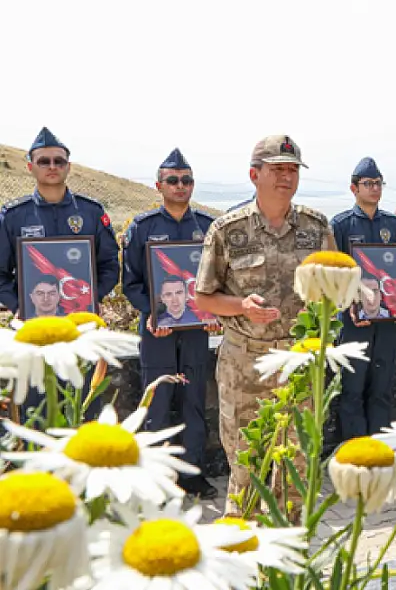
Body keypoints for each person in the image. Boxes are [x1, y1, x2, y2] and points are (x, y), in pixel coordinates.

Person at [195, 135, 336, 516]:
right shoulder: (228, 230)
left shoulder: (316, 227)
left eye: (292, 170)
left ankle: (286, 569)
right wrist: (241, 305)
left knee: (297, 474)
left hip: (299, 368)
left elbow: (333, 289)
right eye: (277, 169)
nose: (286, 177)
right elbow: (202, 297)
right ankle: (243, 567)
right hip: (246, 367)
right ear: (254, 174)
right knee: (247, 472)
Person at [0, 127, 120, 418]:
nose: (52, 167)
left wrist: (94, 298)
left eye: (59, 161)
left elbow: (109, 265)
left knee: (84, 406)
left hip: (81, 328)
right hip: (35, 331)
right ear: (30, 167)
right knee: (37, 410)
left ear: (68, 166)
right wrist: (19, 307)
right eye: (44, 161)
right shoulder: (14, 216)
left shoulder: (91, 213)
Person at [121, 147, 219, 497]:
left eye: (187, 180)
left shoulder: (207, 228)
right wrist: (150, 312)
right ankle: (157, 478)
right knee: (157, 403)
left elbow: (219, 280)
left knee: (194, 399)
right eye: (173, 180)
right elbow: (130, 281)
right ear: (159, 185)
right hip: (157, 330)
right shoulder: (143, 228)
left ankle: (192, 473)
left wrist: (214, 313)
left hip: (196, 331)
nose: (181, 186)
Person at [330, 157, 396, 440]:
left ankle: (379, 446)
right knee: (352, 387)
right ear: (354, 189)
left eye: (378, 183)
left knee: (382, 386)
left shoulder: (393, 224)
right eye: (368, 184)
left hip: (386, 320)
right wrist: (350, 302)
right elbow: (335, 274)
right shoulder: (340, 226)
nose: (374, 188)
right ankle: (355, 448)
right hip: (354, 322)